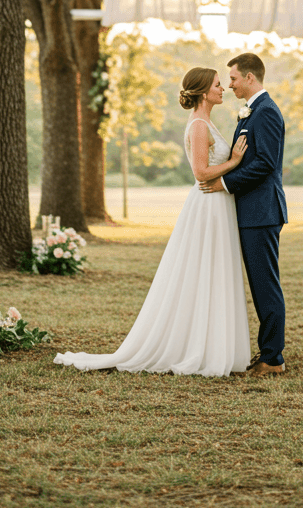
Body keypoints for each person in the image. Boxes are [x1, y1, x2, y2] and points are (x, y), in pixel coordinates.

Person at [53, 67, 251, 377]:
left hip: (218, 205)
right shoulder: (199, 125)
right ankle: (197, 348)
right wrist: (235, 162)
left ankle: (215, 343)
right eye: (216, 85)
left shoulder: (207, 122)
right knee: (204, 271)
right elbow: (200, 172)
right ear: (202, 91)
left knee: (215, 271)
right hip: (208, 205)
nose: (222, 88)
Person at [200, 52, 287, 377]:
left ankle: (273, 358)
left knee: (265, 284)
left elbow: (265, 164)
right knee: (259, 283)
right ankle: (269, 353)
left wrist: (225, 182)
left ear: (250, 77)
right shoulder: (253, 112)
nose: (230, 84)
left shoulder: (264, 112)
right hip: (252, 212)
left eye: (234, 78)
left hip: (262, 212)